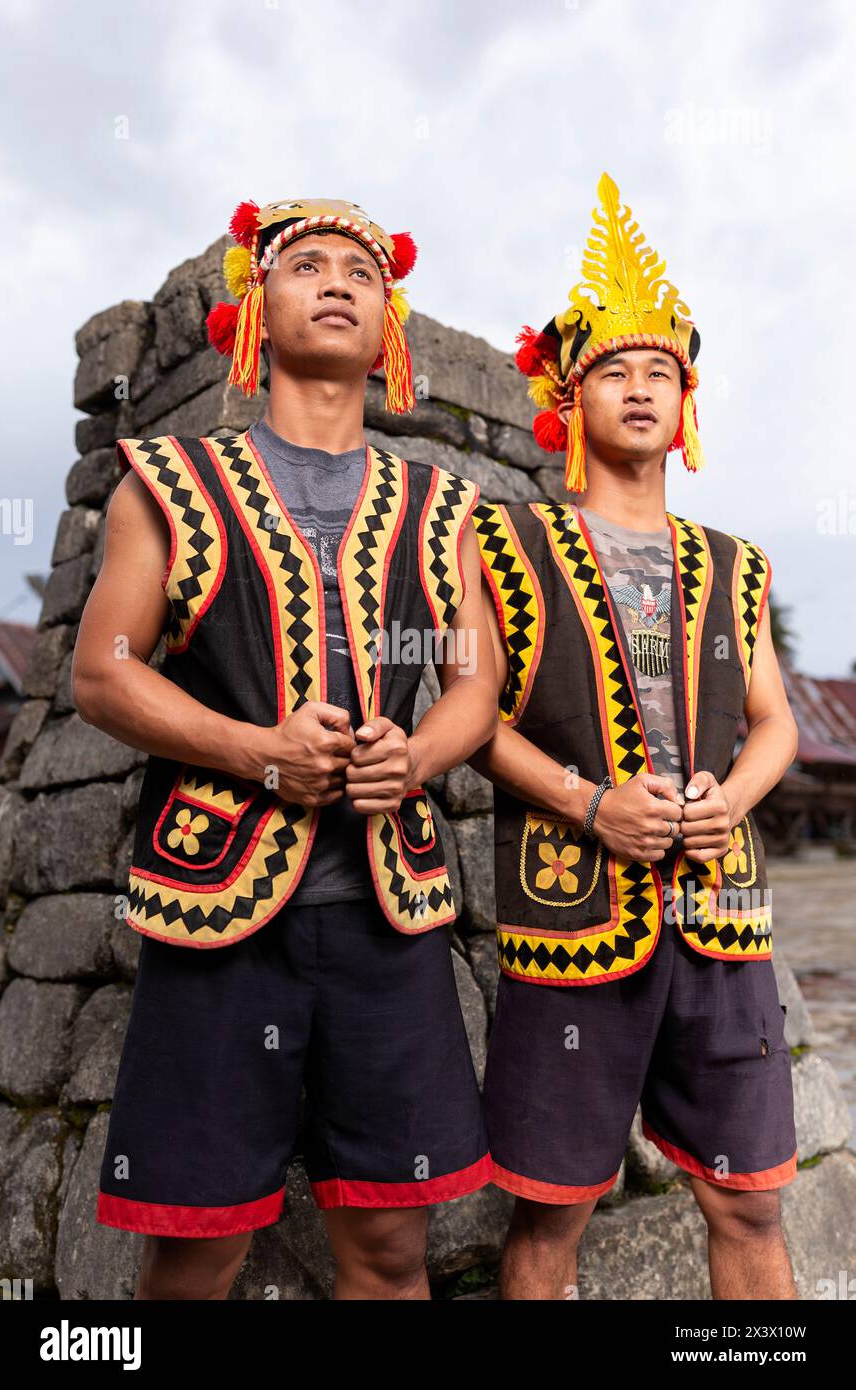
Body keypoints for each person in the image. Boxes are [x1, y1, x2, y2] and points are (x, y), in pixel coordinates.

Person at [73, 197, 497, 1300]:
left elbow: (474, 683)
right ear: (255, 308)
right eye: (305, 262)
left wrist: (410, 758)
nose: (337, 280)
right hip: (221, 911)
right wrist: (260, 751)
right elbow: (104, 670)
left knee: (391, 1246)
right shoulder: (169, 482)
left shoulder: (439, 503)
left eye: (362, 269)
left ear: (386, 325)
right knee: (198, 1242)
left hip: (387, 914)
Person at [470, 173, 800, 1301]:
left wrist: (733, 799)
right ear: (569, 400)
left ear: (686, 398)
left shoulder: (735, 562)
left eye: (660, 370)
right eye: (613, 369)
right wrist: (584, 798)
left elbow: (773, 724)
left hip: (720, 908)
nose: (641, 387)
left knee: (748, 1194)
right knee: (551, 1204)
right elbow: (474, 726)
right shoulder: (506, 543)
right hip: (568, 900)